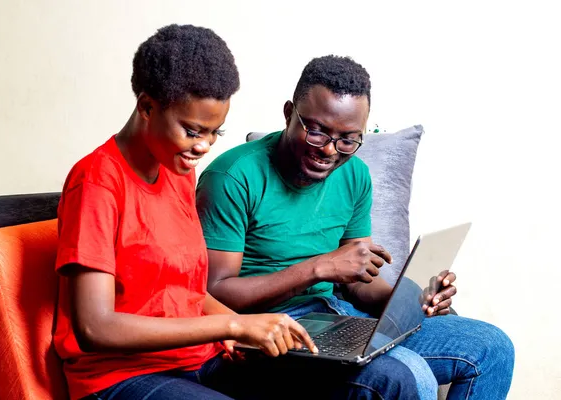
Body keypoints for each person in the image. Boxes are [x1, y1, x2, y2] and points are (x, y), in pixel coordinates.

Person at [54, 26, 420, 400]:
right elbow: (95, 326)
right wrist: (230, 324)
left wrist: (245, 328)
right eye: (193, 131)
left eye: (215, 133)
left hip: (201, 357)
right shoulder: (98, 182)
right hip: (121, 376)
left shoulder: (175, 169)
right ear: (147, 107)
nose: (204, 146)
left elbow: (187, 293)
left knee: (389, 379)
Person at [196, 55, 515, 400]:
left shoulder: (354, 174)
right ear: (289, 113)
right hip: (268, 328)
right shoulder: (233, 176)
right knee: (409, 375)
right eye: (317, 131)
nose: (330, 151)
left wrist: (412, 298)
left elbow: (360, 282)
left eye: (348, 139)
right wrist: (318, 268)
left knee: (493, 347)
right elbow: (214, 291)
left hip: (335, 316)